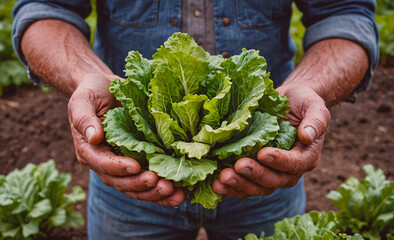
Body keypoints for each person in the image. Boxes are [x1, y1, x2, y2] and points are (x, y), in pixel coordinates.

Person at [12, 0, 378, 239]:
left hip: (261, 168)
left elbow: (344, 12)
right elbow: (45, 9)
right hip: (131, 179)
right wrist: (85, 76)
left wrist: (308, 87)